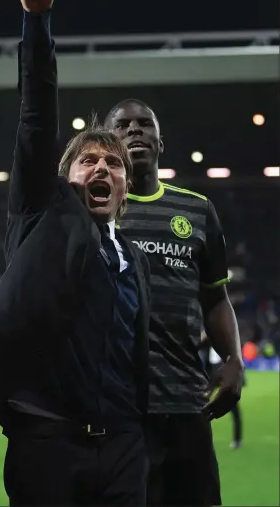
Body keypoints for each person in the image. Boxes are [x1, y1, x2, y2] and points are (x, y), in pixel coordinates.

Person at [0, 0, 151, 507]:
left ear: (127, 187)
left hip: (124, 447)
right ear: (64, 179)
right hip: (48, 447)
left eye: (114, 163)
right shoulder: (44, 214)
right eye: (89, 160)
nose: (103, 168)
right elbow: (36, 120)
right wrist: (37, 22)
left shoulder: (132, 258)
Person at [104, 98, 245, 506]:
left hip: (187, 407)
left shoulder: (197, 211)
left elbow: (215, 298)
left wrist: (233, 358)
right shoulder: (91, 214)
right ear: (107, 142)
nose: (135, 130)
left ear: (160, 142)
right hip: (120, 413)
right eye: (123, 125)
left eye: (145, 124)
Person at [200, 330, 244, 449]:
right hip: (212, 377)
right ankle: (199, 436)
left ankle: (237, 439)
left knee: (233, 406)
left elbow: (235, 358)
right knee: (201, 404)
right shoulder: (208, 342)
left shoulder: (227, 342)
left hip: (225, 376)